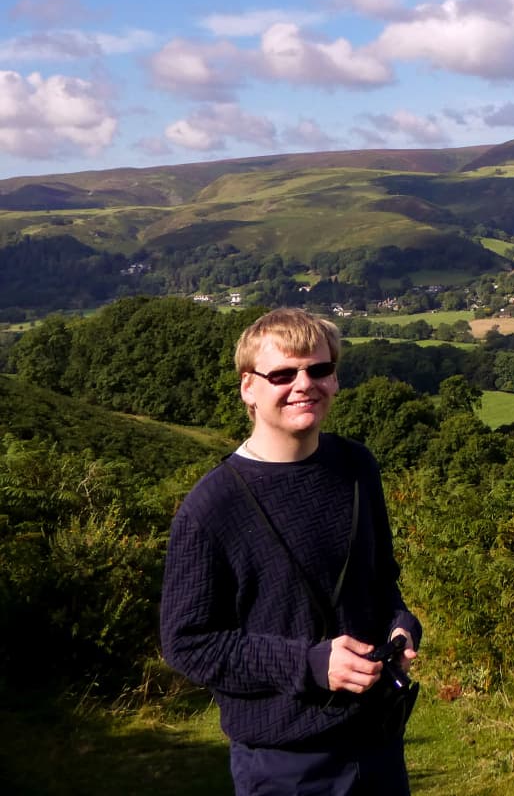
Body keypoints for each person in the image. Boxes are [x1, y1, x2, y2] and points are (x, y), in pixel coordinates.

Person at [161, 307, 421, 795]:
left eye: (318, 369)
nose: (304, 384)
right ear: (248, 388)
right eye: (282, 373)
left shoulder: (357, 466)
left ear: (335, 379)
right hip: (287, 764)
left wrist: (401, 625)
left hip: (379, 741)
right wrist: (308, 664)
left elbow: (381, 580)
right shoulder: (212, 507)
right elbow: (187, 644)